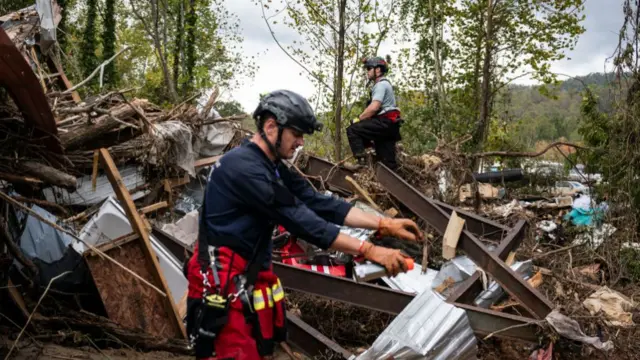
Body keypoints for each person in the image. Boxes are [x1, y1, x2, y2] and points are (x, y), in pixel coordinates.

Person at [185, 90, 422, 360]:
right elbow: (303, 222)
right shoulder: (243, 169)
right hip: (222, 279)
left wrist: (384, 223)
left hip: (247, 272)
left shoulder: (271, 166)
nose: (300, 142)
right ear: (271, 126)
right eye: (296, 134)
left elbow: (317, 202)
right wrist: (369, 250)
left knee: (260, 347)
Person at [346, 56, 402, 170]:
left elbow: (374, 107)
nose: (367, 72)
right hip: (391, 126)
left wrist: (358, 118)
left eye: (369, 68)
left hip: (384, 123)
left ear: (378, 70)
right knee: (387, 164)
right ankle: (392, 180)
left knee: (353, 129)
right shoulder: (386, 84)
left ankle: (363, 163)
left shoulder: (380, 85)